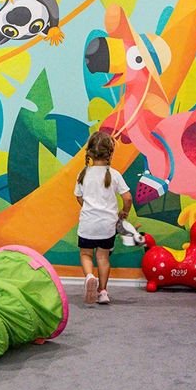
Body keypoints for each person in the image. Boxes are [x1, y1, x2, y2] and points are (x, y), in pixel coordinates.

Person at [74, 131, 132, 305]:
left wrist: (87, 207)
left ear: (89, 152)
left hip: (88, 223)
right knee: (103, 258)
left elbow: (78, 196)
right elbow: (128, 198)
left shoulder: (83, 174)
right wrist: (124, 212)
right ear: (109, 153)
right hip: (107, 225)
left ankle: (89, 277)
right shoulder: (114, 175)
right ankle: (103, 292)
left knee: (86, 254)